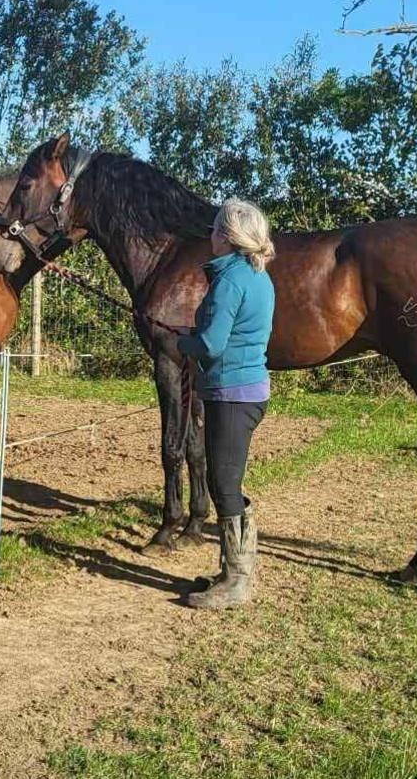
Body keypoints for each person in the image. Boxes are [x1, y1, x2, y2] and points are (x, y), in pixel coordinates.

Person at [174, 198, 276, 610]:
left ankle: (237, 581)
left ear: (228, 236)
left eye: (216, 228)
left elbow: (212, 345)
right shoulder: (256, 275)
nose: (211, 235)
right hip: (246, 390)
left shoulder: (230, 280)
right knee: (226, 481)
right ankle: (231, 571)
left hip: (231, 392)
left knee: (224, 484)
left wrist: (182, 339)